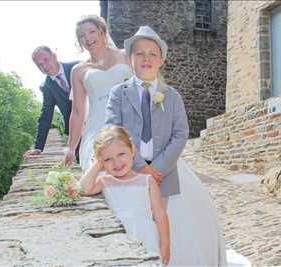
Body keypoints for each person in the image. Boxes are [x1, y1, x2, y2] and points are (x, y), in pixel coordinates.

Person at [105, 25, 227, 266]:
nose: (146, 58)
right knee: (139, 222)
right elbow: (113, 130)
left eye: (152, 53)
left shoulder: (171, 96)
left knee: (170, 223)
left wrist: (158, 168)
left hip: (167, 172)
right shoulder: (118, 94)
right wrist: (140, 166)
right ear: (130, 59)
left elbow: (181, 134)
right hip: (131, 172)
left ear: (161, 60)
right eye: (139, 53)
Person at [79, 125, 170, 264]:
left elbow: (160, 215)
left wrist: (165, 247)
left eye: (121, 154)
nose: (116, 163)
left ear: (132, 151)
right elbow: (84, 188)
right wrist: (97, 164)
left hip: (145, 236)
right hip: (117, 237)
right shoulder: (105, 181)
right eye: (108, 159)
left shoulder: (147, 181)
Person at [63, 15, 133, 170]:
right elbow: (77, 112)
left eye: (91, 31)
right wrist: (70, 148)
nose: (87, 38)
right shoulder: (78, 71)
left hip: (130, 120)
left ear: (102, 32)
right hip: (97, 126)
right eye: (82, 35)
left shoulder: (127, 55)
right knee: (100, 168)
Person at [24, 46, 79, 159]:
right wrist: (38, 147)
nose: (44, 66)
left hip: (97, 122)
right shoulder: (46, 87)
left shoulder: (77, 66)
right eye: (40, 65)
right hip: (75, 134)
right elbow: (46, 115)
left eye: (45, 60)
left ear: (54, 56)